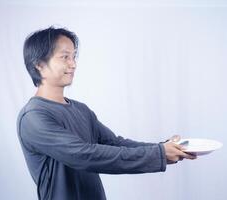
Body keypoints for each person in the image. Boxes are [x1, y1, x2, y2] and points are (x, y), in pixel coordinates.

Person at [16, 26, 196, 200]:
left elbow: (115, 144)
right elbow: (85, 156)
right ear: (39, 64)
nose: (73, 64)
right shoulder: (33, 117)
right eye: (65, 57)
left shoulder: (81, 109)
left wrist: (163, 148)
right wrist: (159, 154)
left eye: (74, 56)